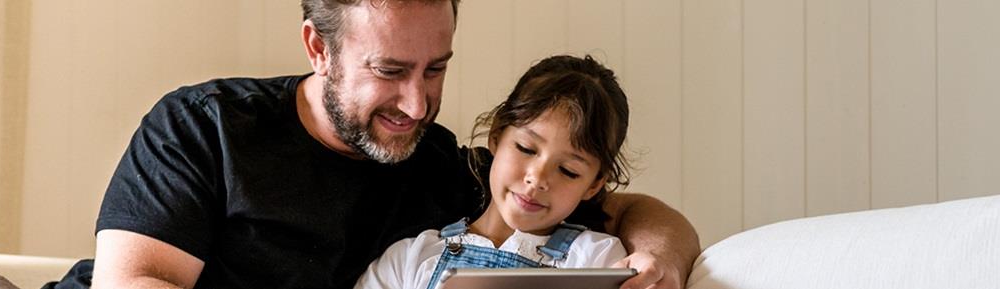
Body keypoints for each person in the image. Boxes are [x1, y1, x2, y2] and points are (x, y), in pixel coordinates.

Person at [84, 1, 699, 289]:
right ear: (318, 49)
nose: (416, 104)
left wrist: (660, 263)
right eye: (389, 70)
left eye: (435, 70)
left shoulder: (447, 169)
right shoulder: (205, 126)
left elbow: (628, 209)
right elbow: (137, 286)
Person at [355, 55, 633, 289]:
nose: (537, 179)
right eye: (526, 148)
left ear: (595, 183)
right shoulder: (410, 259)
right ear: (497, 136)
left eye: (568, 170)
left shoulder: (598, 260)